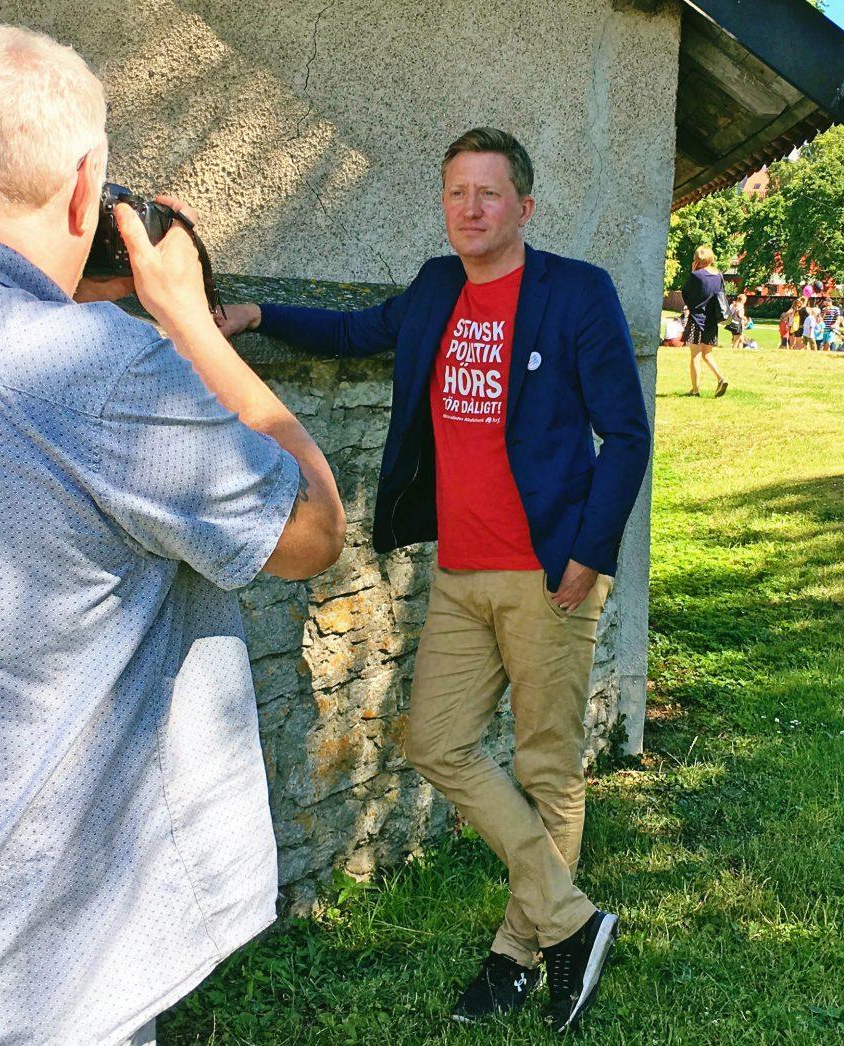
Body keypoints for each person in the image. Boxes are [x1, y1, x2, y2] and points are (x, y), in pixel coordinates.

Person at [0, 26, 346, 1046]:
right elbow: (310, 528)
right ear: (87, 190)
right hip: (39, 983)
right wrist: (189, 318)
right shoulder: (99, 372)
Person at [216, 127, 651, 1031]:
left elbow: (627, 435)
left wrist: (589, 554)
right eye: (457, 192)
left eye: (489, 194)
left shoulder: (576, 293)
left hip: (547, 570)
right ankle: (571, 923)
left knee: (545, 764)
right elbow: (353, 331)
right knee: (434, 740)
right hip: (460, 570)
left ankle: (517, 956)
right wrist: (258, 318)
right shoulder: (433, 289)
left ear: (524, 207)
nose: (471, 209)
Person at [679, 245, 729, 396]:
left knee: (695, 355)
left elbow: (686, 294)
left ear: (697, 260)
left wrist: (693, 273)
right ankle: (721, 378)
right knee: (707, 353)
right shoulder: (719, 275)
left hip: (697, 319)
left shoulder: (697, 276)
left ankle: (695, 390)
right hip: (712, 321)